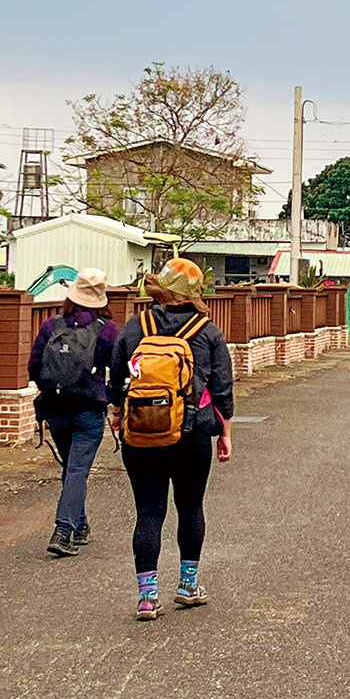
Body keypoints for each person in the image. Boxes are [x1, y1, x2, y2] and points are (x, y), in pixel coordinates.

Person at [109, 258, 234, 620]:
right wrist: (224, 430)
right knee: (190, 507)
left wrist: (118, 413)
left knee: (148, 513)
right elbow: (222, 387)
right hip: (192, 432)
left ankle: (147, 597)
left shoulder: (136, 327)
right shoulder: (207, 331)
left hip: (141, 432)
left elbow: (118, 377)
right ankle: (187, 585)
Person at [28, 268, 120, 558]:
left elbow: (34, 365)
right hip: (88, 408)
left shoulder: (52, 325)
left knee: (71, 468)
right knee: (78, 470)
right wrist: (116, 404)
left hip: (56, 408)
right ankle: (64, 529)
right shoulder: (107, 329)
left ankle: (79, 526)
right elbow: (118, 370)